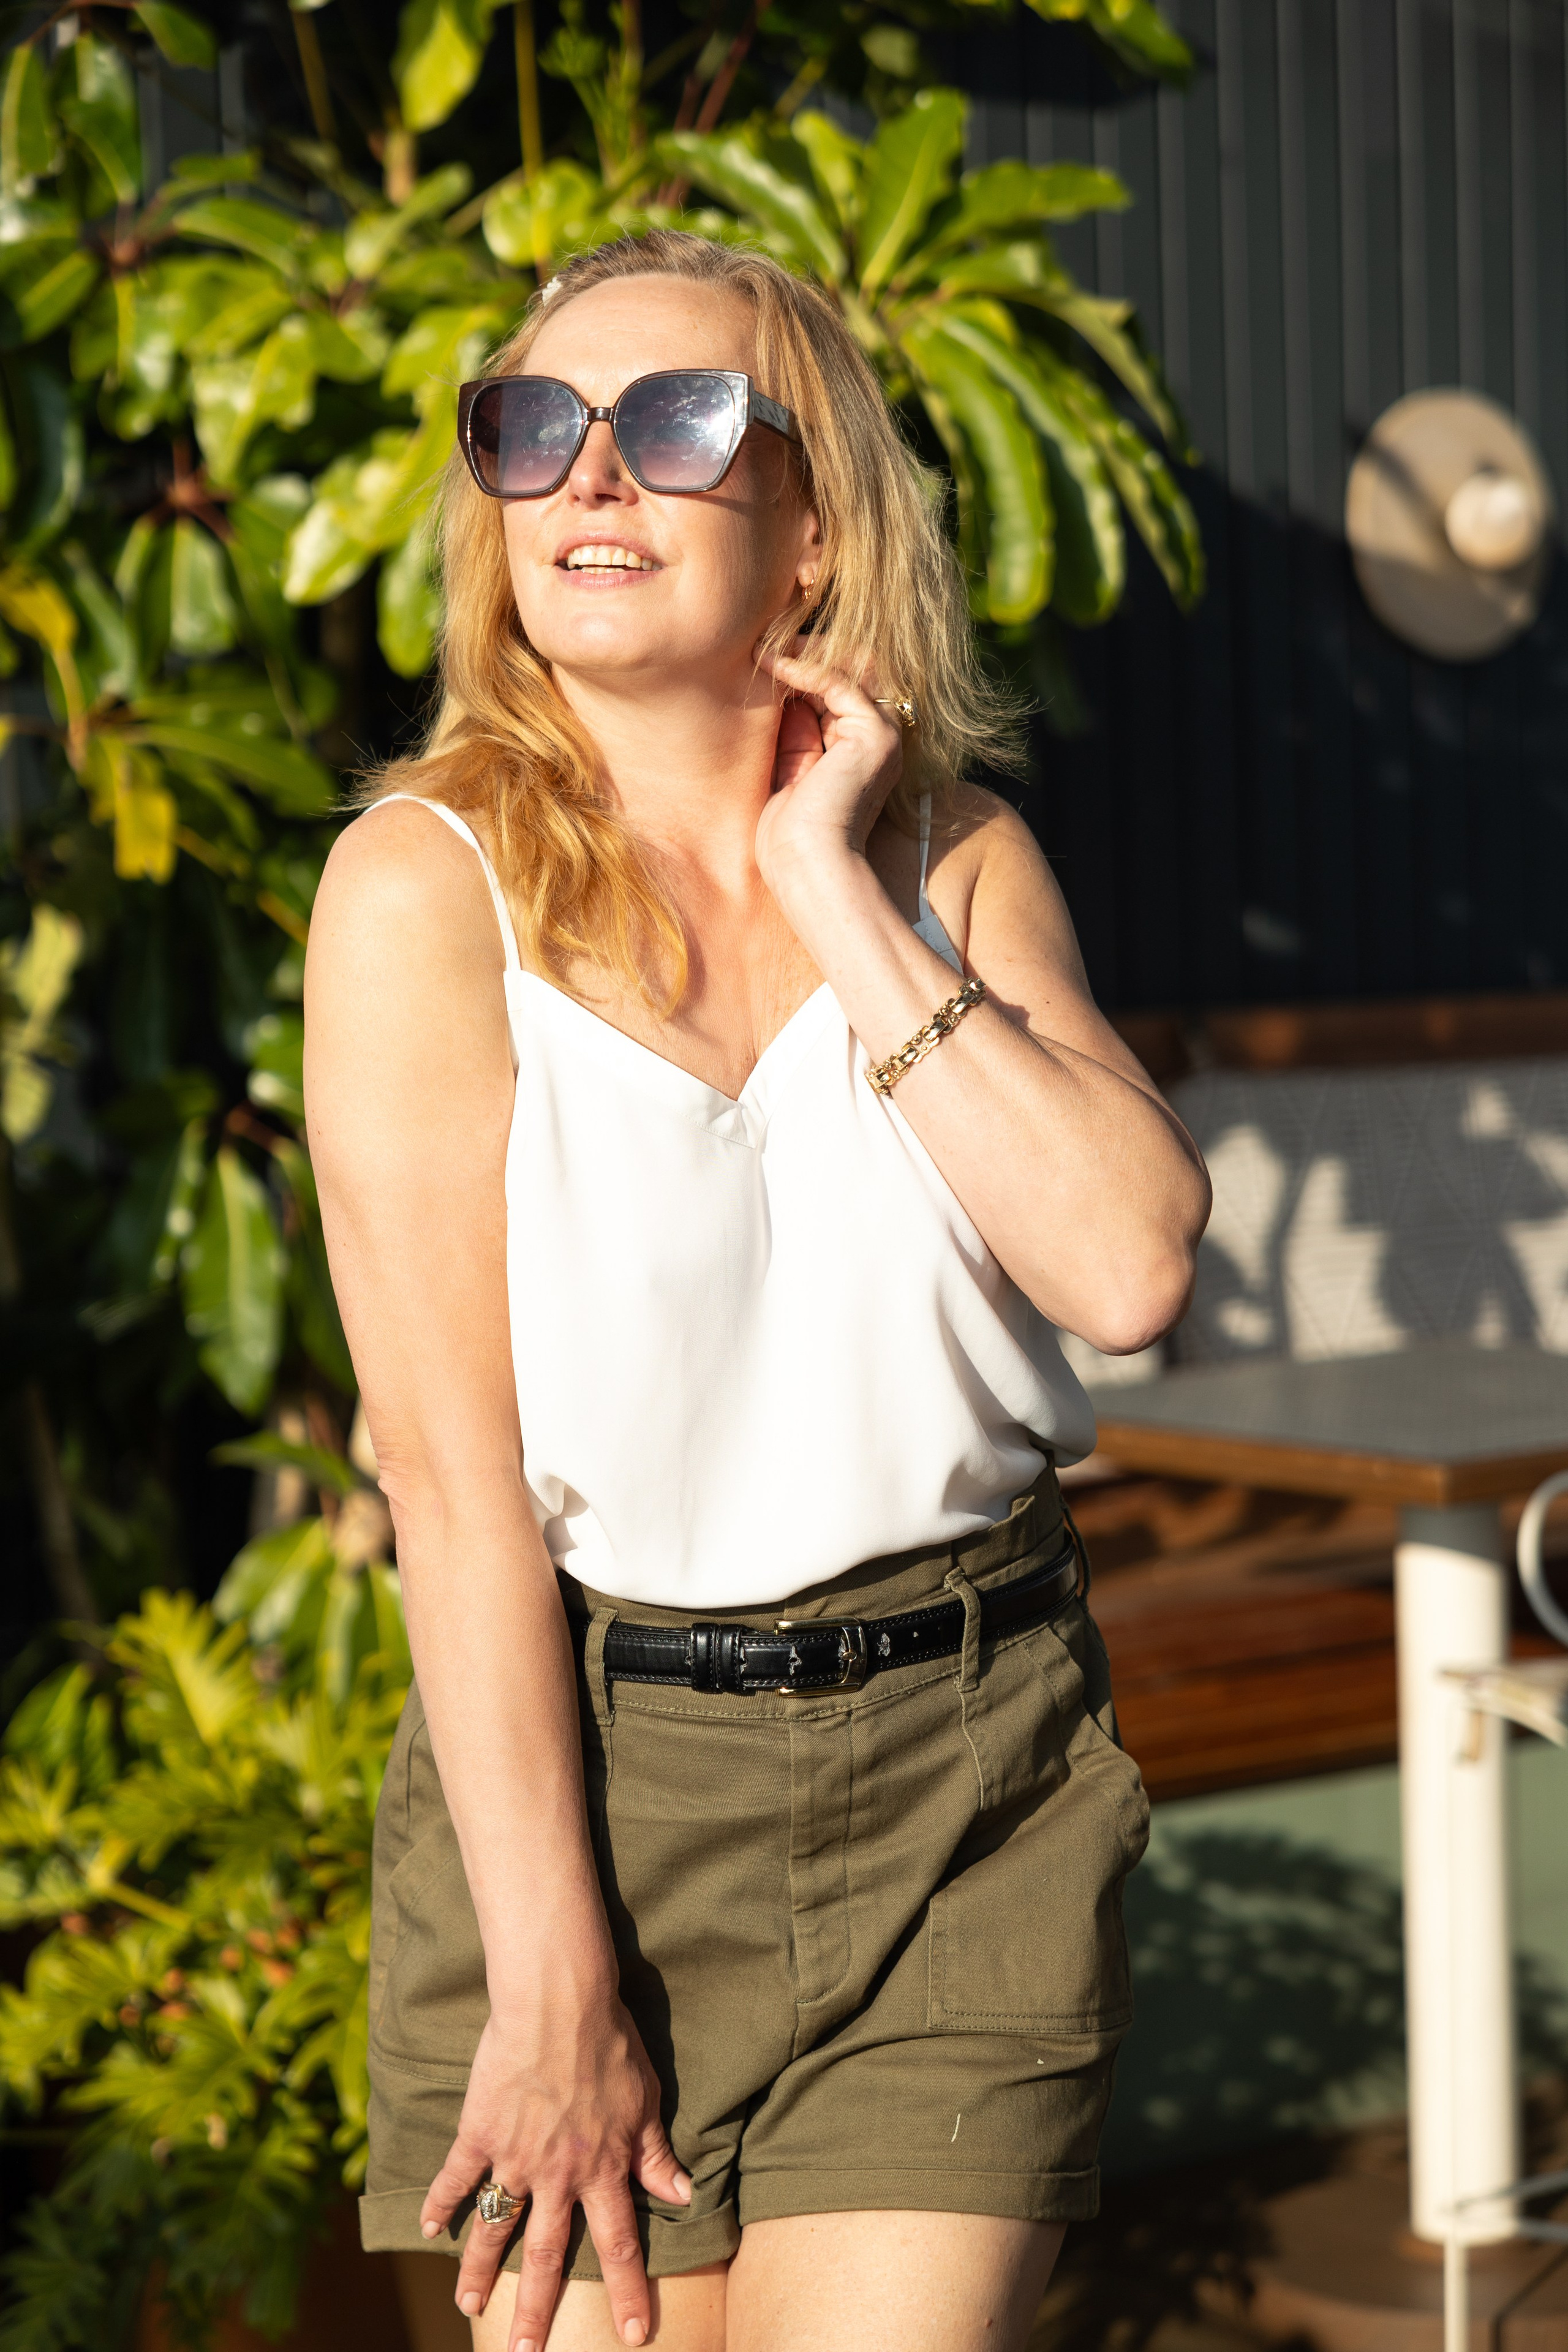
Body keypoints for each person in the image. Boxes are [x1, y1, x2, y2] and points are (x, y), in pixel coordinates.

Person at [305, 230, 1210, 2352]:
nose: (589, 479)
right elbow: (451, 1487)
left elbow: (1129, 1260)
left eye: (677, 424)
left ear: (811, 537)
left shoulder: (948, 859)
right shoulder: (420, 894)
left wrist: (834, 877)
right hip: (591, 1796)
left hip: (965, 1766)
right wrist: (554, 1990)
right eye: (534, 432)